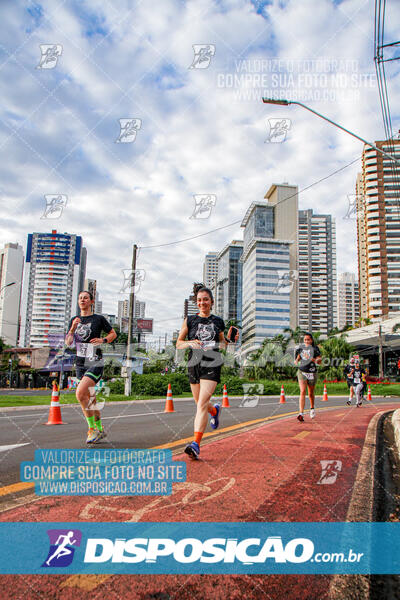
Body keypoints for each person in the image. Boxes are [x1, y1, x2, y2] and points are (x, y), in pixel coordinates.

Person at [176, 283, 238, 460]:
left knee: (202, 403)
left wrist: (231, 340)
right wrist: (190, 343)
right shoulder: (190, 320)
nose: (202, 303)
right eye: (199, 300)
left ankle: (195, 444)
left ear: (211, 302)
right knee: (200, 404)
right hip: (194, 363)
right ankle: (214, 411)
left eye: (205, 300)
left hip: (212, 362)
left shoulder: (217, 321)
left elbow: (223, 344)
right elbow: (179, 343)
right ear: (197, 302)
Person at [65, 291, 116, 444]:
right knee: (90, 399)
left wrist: (103, 340)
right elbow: (68, 342)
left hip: (95, 360)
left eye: (85, 298)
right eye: (80, 298)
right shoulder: (74, 319)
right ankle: (100, 429)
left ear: (91, 301)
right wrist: (73, 329)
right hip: (81, 362)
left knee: (80, 394)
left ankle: (92, 429)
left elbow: (113, 333)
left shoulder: (98, 319)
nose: (82, 300)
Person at [294, 332, 322, 422]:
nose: (306, 341)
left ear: (311, 340)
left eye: (308, 339)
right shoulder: (300, 348)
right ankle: (301, 413)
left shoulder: (315, 349)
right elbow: (298, 358)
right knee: (302, 391)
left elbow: (319, 362)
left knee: (310, 393)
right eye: (305, 339)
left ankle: (312, 408)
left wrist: (310, 358)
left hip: (312, 372)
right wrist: (296, 361)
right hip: (302, 371)